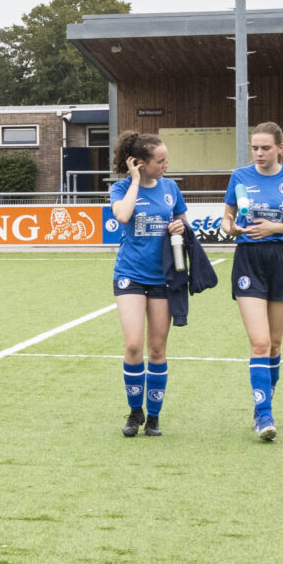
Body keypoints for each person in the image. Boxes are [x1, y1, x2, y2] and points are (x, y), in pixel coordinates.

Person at [226, 122, 283, 444]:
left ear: (280, 148)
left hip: (282, 261)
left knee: (275, 344)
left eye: (265, 148)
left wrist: (275, 227)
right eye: (255, 148)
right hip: (248, 260)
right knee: (260, 343)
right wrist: (232, 227)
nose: (259, 153)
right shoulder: (240, 177)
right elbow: (226, 219)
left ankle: (264, 405)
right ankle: (264, 416)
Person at [108, 132, 187, 437]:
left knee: (156, 349)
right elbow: (123, 215)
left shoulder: (171, 188)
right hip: (130, 274)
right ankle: (134, 411)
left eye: (166, 158)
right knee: (132, 345)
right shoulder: (121, 188)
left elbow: (182, 223)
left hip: (162, 278)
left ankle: (153, 416)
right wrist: (135, 181)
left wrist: (180, 226)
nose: (166, 165)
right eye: (161, 160)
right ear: (140, 163)